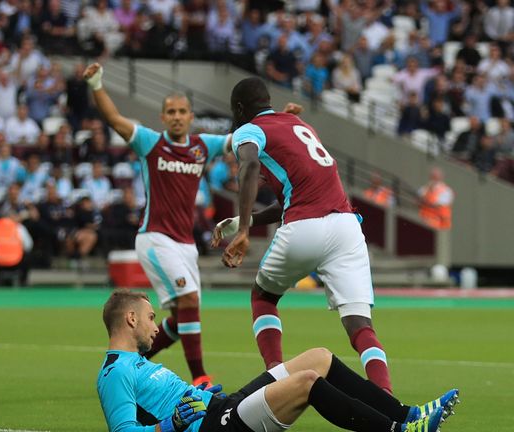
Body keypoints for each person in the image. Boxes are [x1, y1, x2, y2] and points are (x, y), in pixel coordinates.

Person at [211, 77, 394, 394]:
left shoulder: (247, 131)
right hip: (346, 226)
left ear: (239, 109)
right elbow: (288, 197)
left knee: (264, 297)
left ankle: (276, 378)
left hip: (304, 227)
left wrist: (241, 231)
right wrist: (248, 220)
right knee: (360, 326)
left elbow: (250, 166)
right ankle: (388, 402)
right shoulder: (298, 124)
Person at [97, 290, 458, 432]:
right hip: (213, 428)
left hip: (220, 408)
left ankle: (406, 413)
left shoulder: (136, 363)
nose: (156, 327)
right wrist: (170, 425)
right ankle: (398, 431)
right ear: (130, 319)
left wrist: (195, 395)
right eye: (149, 318)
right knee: (306, 384)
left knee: (318, 358)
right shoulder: (115, 373)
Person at [84, 62, 232, 385]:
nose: (177, 116)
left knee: (181, 320)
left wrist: (276, 121)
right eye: (171, 111)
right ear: (163, 117)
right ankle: (200, 378)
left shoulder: (202, 147)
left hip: (186, 245)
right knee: (190, 300)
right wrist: (96, 83)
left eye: (182, 111)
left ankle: (130, 366)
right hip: (155, 238)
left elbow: (240, 141)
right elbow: (114, 119)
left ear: (191, 117)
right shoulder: (151, 143)